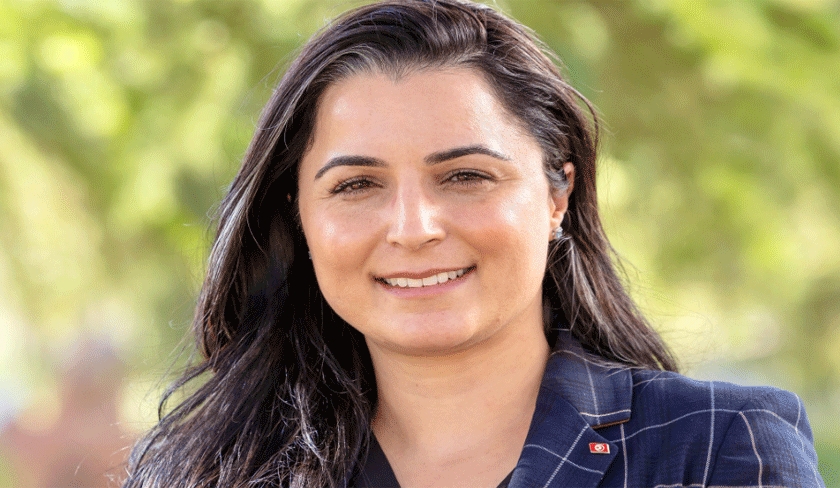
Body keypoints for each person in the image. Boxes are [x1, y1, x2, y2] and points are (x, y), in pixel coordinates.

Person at [123, 1, 824, 486]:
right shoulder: (202, 474)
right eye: (357, 185)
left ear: (557, 195)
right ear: (300, 217)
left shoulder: (714, 448)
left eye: (465, 176)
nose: (414, 227)